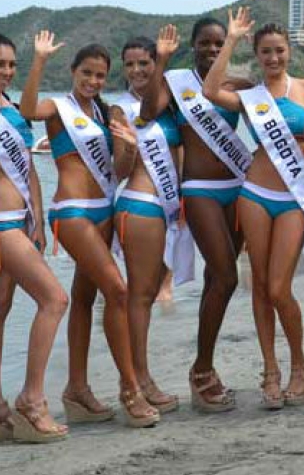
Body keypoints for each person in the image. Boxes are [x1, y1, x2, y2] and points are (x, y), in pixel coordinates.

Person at [20, 32, 160, 429]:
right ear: (73, 71)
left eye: (100, 75)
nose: (93, 81)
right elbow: (28, 108)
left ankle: (77, 390)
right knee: (118, 290)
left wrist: (129, 148)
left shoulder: (104, 114)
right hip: (72, 212)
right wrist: (39, 61)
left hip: (104, 212)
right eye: (87, 73)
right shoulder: (58, 108)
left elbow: (116, 172)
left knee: (84, 299)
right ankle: (130, 389)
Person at [202, 8, 304, 409]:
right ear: (257, 54)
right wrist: (230, 40)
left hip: (294, 197)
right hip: (256, 195)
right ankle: (270, 370)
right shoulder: (250, 97)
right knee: (260, 287)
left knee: (280, 287)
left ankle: (299, 364)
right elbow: (210, 91)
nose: (273, 58)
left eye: (279, 50)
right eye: (265, 52)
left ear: (288, 52)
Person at [139, 17, 252, 413]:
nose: (211, 48)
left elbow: (279, 106)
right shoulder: (176, 82)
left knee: (216, 281)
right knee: (226, 275)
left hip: (236, 188)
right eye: (205, 42)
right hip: (200, 190)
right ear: (193, 45)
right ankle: (201, 370)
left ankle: (205, 367)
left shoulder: (237, 83)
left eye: (219, 43)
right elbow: (148, 111)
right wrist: (161, 64)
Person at [0, 31, 70, 443]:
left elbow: (28, 168)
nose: (7, 72)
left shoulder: (12, 107)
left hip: (21, 220)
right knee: (54, 299)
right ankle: (31, 399)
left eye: (12, 64)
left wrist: (40, 222)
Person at [112, 32, 189, 416]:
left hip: (166, 209)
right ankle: (138, 380)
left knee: (147, 293)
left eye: (145, 63)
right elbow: (119, 171)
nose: (138, 70)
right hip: (140, 204)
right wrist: (127, 145)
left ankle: (139, 377)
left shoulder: (168, 106)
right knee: (140, 297)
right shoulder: (119, 110)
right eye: (131, 64)